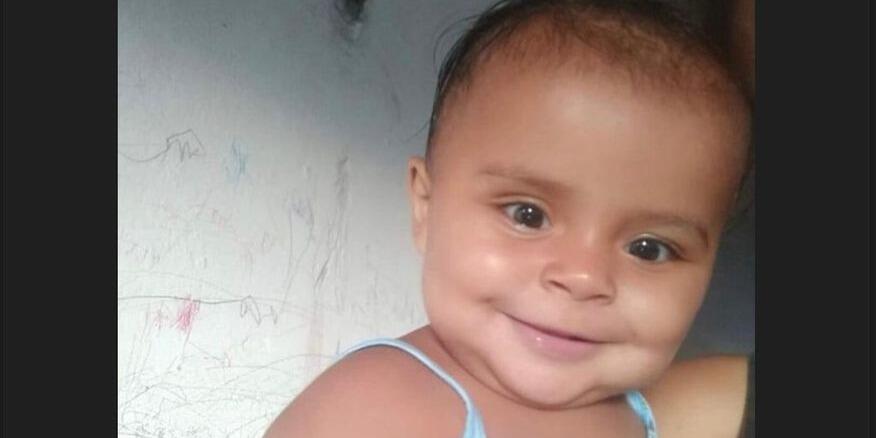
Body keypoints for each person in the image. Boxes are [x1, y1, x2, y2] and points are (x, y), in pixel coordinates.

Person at [266, 1, 752, 436]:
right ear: (426, 207)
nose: (583, 277)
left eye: (649, 248)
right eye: (528, 215)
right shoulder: (378, 404)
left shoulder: (643, 416)